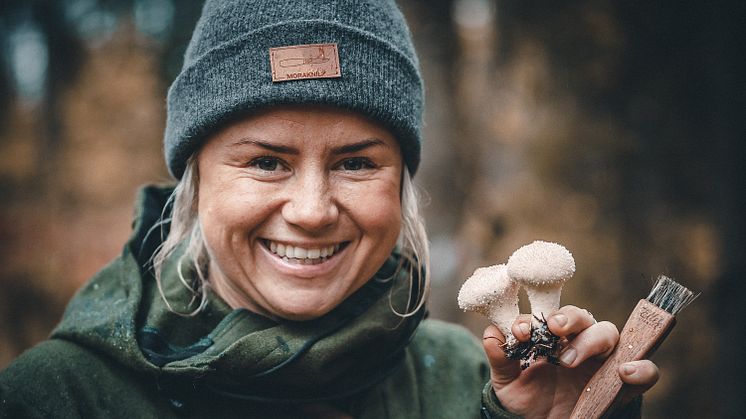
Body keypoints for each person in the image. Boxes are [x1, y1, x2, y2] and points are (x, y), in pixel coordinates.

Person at [0, 1, 659, 417]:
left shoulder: (472, 382)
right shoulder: (56, 398)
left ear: (402, 182)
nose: (312, 211)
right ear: (194, 181)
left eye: (355, 162)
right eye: (265, 161)